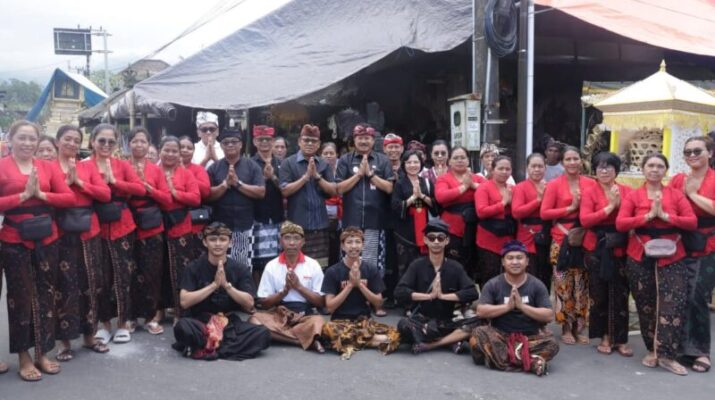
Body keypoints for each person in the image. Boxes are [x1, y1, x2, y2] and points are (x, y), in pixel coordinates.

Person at [0, 120, 74, 381]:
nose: (27, 143)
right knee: (19, 298)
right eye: (22, 137)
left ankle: (42, 352)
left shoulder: (47, 166)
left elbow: (68, 198)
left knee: (46, 294)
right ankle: (23, 355)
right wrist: (22, 196)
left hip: (47, 238)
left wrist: (41, 194)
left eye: (32, 138)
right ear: (11, 139)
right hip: (14, 240)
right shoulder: (2, 166)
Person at [616, 154, 697, 375]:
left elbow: (691, 222)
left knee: (673, 304)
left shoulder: (676, 195)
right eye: (650, 165)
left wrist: (666, 216)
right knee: (646, 304)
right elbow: (621, 223)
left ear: (665, 170)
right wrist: (648, 216)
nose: (655, 169)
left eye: (660, 166)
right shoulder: (634, 196)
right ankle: (652, 350)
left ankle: (668, 355)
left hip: (673, 255)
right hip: (639, 254)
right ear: (643, 169)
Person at [53, 125, 112, 361]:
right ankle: (64, 342)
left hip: (89, 230)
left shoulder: (87, 167)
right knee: (64, 285)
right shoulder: (48, 167)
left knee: (91, 283)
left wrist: (79, 182)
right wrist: (65, 186)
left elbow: (105, 194)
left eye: (76, 140)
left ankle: (89, 335)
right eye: (67, 139)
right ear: (58, 141)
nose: (72, 143)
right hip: (61, 232)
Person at [173, 222, 271, 360]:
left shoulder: (239, 268)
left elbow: (249, 303)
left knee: (263, 334)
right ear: (205, 242)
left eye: (223, 239)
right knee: (182, 327)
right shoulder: (193, 267)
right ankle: (222, 347)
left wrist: (226, 286)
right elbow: (184, 301)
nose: (218, 244)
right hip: (200, 323)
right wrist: (213, 286)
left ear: (230, 243)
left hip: (228, 323)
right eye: (213, 239)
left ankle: (208, 347)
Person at [90, 123, 146, 346]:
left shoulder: (122, 165)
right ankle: (104, 324)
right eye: (101, 140)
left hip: (123, 225)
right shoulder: (85, 166)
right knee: (100, 278)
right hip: (96, 227)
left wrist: (115, 181)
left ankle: (123, 323)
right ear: (92, 141)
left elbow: (140, 189)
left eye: (111, 141)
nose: (106, 145)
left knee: (124, 275)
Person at [470, 240, 559, 376]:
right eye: (510, 258)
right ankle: (529, 361)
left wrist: (522, 306)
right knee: (478, 334)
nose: (515, 262)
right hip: (500, 336)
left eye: (519, 258)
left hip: (529, 337)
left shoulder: (537, 285)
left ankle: (502, 359)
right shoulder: (493, 284)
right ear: (503, 262)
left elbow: (548, 315)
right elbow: (481, 311)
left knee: (552, 344)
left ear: (527, 261)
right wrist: (507, 307)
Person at [395, 219, 480, 354]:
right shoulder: (417, 265)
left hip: (446, 322)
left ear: (447, 241)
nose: (436, 242)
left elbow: (472, 292)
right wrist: (429, 296)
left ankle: (431, 344)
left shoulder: (455, 267)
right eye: (431, 238)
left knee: (477, 322)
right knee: (403, 324)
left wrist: (443, 296)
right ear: (425, 240)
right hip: (421, 321)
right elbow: (399, 292)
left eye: (440, 238)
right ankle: (450, 341)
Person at [540, 145, 595, 345]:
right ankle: (565, 326)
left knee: (582, 283)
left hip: (584, 238)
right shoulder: (554, 184)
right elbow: (545, 213)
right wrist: (570, 208)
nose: (572, 162)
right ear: (562, 163)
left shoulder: (590, 183)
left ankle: (579, 326)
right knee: (563, 284)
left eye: (575, 158)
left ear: (581, 161)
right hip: (561, 238)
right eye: (568, 159)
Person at [669, 136, 715, 373]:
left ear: (710, 153)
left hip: (708, 244)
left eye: (698, 151)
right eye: (688, 152)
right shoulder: (678, 179)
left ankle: (700, 350)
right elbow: (668, 204)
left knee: (698, 294)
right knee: (680, 294)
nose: (692, 155)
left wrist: (693, 195)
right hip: (680, 243)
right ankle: (680, 346)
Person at [580, 152, 633, 356]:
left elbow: (631, 218)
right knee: (599, 293)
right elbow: (585, 220)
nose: (604, 171)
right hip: (596, 247)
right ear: (595, 170)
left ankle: (620, 339)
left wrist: (619, 206)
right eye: (600, 167)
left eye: (609, 167)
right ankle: (603, 335)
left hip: (620, 246)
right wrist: (610, 206)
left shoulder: (627, 191)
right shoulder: (589, 192)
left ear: (616, 170)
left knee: (620, 294)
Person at [321, 227, 401, 359]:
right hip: (340, 322)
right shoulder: (333, 271)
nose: (354, 246)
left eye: (357, 242)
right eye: (349, 242)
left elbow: (378, 303)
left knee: (395, 335)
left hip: (364, 321)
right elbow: (329, 307)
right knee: (328, 331)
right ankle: (369, 340)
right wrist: (350, 285)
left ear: (363, 245)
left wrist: (360, 285)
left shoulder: (370, 269)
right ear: (342, 246)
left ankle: (351, 341)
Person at [249, 221, 327, 353]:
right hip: (280, 315)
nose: (292, 243)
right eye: (287, 238)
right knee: (254, 319)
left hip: (304, 315)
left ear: (303, 242)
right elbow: (264, 303)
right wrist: (284, 292)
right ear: (280, 242)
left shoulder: (313, 265)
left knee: (318, 321)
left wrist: (299, 287)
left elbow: (321, 302)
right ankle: (299, 340)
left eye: (296, 238)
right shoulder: (271, 266)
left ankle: (282, 336)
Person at [127, 127, 172, 335]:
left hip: (152, 226)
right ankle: (130, 316)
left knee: (152, 272)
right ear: (128, 144)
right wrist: (133, 188)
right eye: (135, 141)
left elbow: (167, 199)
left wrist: (148, 188)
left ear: (149, 145)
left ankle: (151, 316)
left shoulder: (156, 170)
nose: (139, 145)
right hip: (128, 224)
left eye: (143, 141)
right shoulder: (122, 166)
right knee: (130, 272)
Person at [336, 124, 393, 279]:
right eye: (360, 138)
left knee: (372, 264)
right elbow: (338, 188)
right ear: (354, 140)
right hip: (351, 221)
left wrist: (371, 175)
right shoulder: (345, 160)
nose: (363, 141)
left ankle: (372, 292)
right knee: (349, 263)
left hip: (375, 221)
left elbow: (389, 188)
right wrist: (359, 175)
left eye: (367, 138)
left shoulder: (383, 160)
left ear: (373, 140)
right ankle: (349, 291)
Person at [280, 124, 337, 267]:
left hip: (320, 224)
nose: (310, 144)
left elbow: (333, 191)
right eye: (306, 140)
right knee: (296, 266)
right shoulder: (289, 163)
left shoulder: (323, 164)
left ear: (318, 144)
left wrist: (317, 176)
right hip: (297, 227)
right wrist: (305, 177)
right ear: (299, 142)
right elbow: (285, 191)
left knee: (319, 267)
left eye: (313, 141)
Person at [207, 129, 265, 267]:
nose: (230, 145)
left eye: (234, 141)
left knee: (241, 266)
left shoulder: (252, 166)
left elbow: (261, 192)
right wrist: (225, 185)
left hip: (244, 226)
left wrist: (238, 184)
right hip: (220, 227)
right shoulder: (214, 168)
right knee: (219, 265)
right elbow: (207, 196)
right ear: (221, 146)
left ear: (241, 144)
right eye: (226, 142)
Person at [159, 136, 202, 321]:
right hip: (156, 226)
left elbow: (196, 198)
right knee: (158, 269)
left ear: (179, 154)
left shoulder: (186, 174)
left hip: (181, 227)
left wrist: (175, 193)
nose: (170, 154)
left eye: (174, 151)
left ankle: (180, 311)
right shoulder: (153, 171)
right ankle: (158, 311)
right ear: (160, 151)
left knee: (181, 270)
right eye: (166, 150)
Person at [391, 150, 435, 305]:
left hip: (424, 231)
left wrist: (422, 196)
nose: (412, 165)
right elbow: (395, 207)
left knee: (423, 267)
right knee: (405, 268)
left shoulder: (426, 182)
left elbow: (435, 205)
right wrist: (412, 198)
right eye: (409, 162)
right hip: (405, 233)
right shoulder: (399, 184)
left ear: (421, 164)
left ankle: (423, 302)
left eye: (416, 162)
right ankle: (406, 303)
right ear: (404, 165)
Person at [435, 146, 485, 273]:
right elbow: (441, 197)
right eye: (456, 158)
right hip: (452, 229)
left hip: (476, 228)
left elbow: (490, 190)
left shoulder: (477, 178)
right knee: (454, 265)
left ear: (468, 160)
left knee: (474, 266)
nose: (459, 160)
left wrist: (473, 185)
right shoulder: (443, 178)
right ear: (449, 161)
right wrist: (464, 187)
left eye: (463, 157)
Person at [475, 155, 516, 287]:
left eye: (508, 169)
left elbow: (518, 212)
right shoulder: (484, 187)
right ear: (492, 170)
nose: (504, 172)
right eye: (501, 168)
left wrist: (512, 203)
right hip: (488, 239)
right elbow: (481, 212)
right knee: (489, 275)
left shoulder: (512, 188)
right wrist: (503, 203)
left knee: (508, 276)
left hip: (508, 238)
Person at [251, 125, 285, 283]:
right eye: (261, 139)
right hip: (257, 217)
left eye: (267, 139)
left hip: (278, 217)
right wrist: (264, 178)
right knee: (257, 262)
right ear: (254, 141)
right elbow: (249, 190)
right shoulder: (250, 163)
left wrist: (273, 177)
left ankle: (275, 291)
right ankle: (259, 293)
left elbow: (286, 189)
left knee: (277, 260)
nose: (264, 142)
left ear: (272, 141)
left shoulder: (282, 163)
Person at [512, 153, 551, 289]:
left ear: (545, 168)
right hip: (527, 233)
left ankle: (543, 298)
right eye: (533, 166)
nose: (537, 169)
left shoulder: (550, 186)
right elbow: (516, 212)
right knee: (529, 270)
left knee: (545, 271)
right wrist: (538, 201)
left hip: (547, 232)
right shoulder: (520, 187)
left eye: (540, 166)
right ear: (527, 168)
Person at [381, 133, 404, 311]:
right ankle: (387, 294)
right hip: (383, 218)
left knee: (401, 259)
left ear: (402, 149)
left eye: (397, 147)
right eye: (390, 147)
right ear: (384, 148)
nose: (393, 150)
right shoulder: (380, 166)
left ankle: (401, 295)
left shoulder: (408, 166)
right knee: (387, 258)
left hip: (403, 220)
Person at [179, 135, 212, 259]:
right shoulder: (166, 168)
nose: (185, 150)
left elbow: (206, 191)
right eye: (182, 147)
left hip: (195, 223)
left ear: (193, 151)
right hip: (173, 223)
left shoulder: (198, 170)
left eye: (189, 148)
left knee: (198, 260)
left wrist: (186, 173)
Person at [319, 142, 343, 266]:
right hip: (322, 215)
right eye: (325, 153)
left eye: (331, 153)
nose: (328, 156)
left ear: (337, 155)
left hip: (341, 216)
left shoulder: (342, 169)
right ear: (320, 155)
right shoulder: (316, 169)